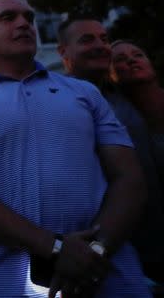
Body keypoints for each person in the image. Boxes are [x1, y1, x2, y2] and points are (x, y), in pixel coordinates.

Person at [0, 0, 150, 298]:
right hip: (13, 278)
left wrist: (94, 250)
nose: (25, 23)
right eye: (8, 18)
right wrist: (56, 248)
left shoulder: (85, 93)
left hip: (110, 271)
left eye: (29, 18)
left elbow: (130, 178)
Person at [58, 18, 164, 286]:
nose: (99, 46)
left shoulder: (121, 97)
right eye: (87, 40)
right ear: (63, 52)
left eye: (104, 39)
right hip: (113, 252)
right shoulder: (57, 101)